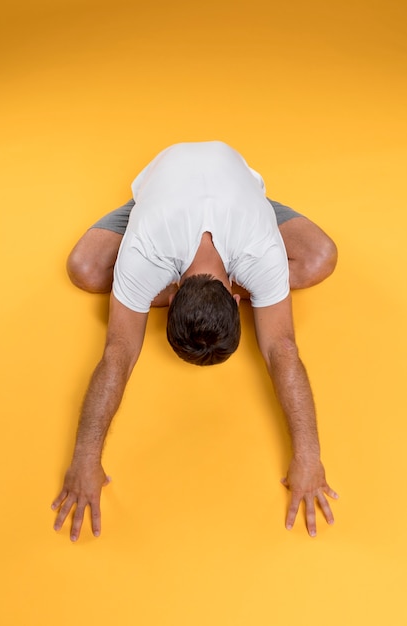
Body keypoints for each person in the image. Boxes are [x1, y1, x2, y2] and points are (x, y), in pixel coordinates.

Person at [52, 141, 339, 541]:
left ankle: (241, 213)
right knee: (83, 269)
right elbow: (116, 356)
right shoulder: (145, 251)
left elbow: (282, 351)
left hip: (239, 197)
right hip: (162, 193)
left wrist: (309, 456)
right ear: (239, 298)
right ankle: (151, 263)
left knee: (321, 257)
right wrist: (84, 459)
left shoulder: (260, 249)